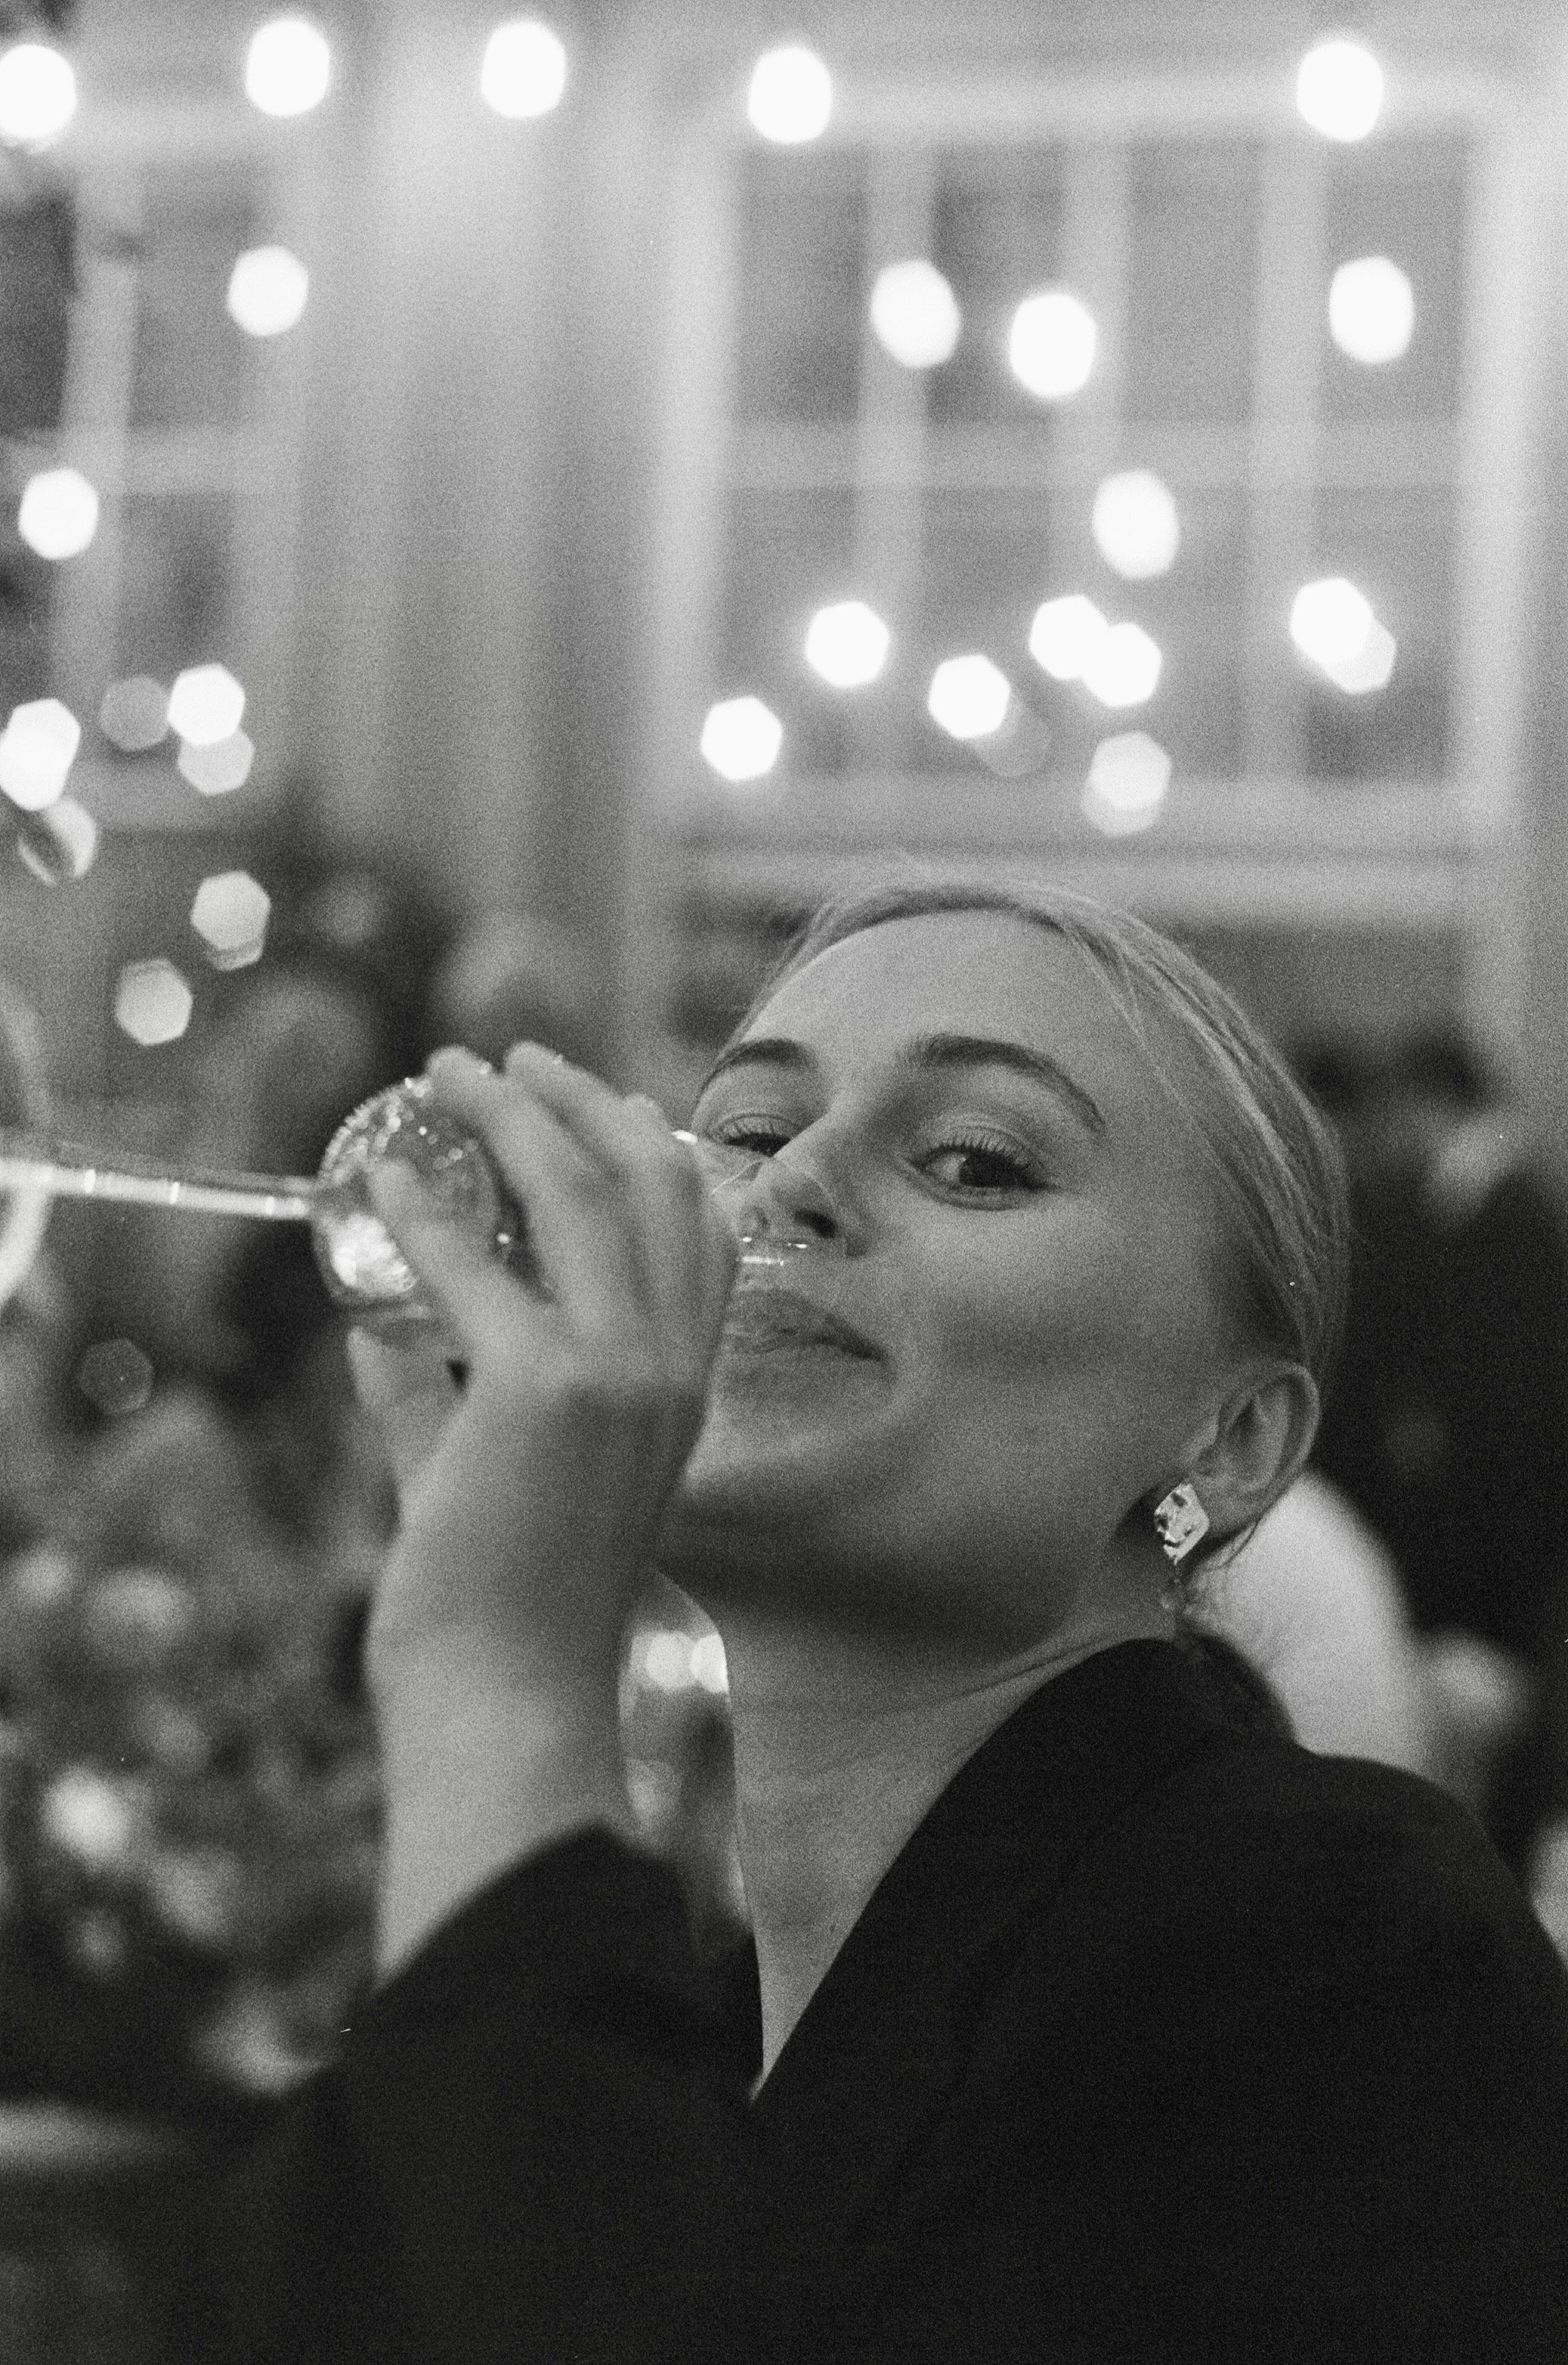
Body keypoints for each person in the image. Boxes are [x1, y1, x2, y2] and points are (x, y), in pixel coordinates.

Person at [178, 876, 1568, 2363]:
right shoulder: (691, 2018)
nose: (791, 1184)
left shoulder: (1346, 1954)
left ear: (1225, 1436)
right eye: (749, 1131)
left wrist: (498, 1678)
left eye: (973, 1159)